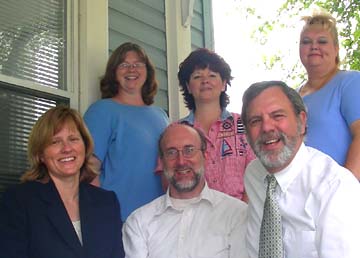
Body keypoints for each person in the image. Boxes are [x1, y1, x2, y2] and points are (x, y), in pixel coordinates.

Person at [242, 81, 360, 258]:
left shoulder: (334, 187)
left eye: (277, 115)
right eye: (255, 121)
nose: (266, 127)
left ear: (302, 121)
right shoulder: (254, 175)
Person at [0, 105, 124, 258]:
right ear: (40, 154)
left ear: (85, 147)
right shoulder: (19, 201)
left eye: (73, 139)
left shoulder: (107, 202)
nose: (67, 148)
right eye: (55, 142)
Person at [123, 123, 248, 258]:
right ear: (162, 160)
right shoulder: (139, 222)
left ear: (205, 155)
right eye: (171, 152)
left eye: (189, 150)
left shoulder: (236, 214)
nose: (181, 161)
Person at [84, 42, 169, 221]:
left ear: (148, 72)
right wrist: (103, 215)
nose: (132, 69)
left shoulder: (161, 116)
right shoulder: (102, 111)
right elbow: (88, 169)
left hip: (159, 220)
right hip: (119, 219)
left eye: (138, 64)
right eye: (123, 64)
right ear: (114, 73)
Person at [175, 48, 255, 202]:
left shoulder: (243, 124)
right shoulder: (177, 132)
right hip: (195, 217)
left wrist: (243, 212)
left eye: (212, 75)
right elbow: (170, 180)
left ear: (224, 84)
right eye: (197, 76)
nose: (205, 81)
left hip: (242, 214)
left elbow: (257, 172)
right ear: (188, 86)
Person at [298, 9, 360, 179]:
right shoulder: (292, 96)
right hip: (305, 196)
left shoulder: (350, 82)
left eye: (322, 41)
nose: (314, 46)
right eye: (306, 41)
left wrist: (345, 189)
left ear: (336, 48)